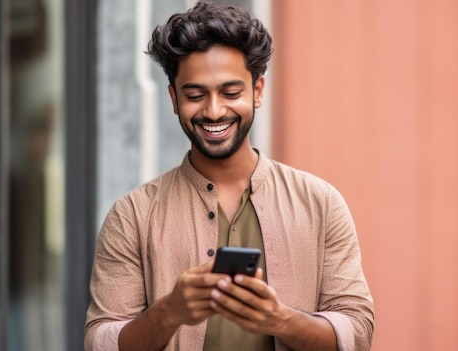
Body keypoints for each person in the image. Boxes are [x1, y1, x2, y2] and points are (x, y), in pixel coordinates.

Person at [84, 2, 374, 350]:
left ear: (258, 91)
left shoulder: (320, 203)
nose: (214, 110)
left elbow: (357, 331)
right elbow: (100, 341)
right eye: (195, 95)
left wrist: (279, 319)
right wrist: (170, 312)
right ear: (174, 99)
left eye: (231, 93)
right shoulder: (132, 216)